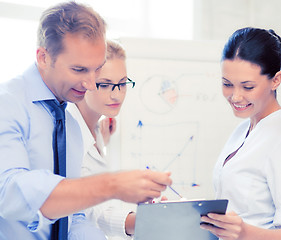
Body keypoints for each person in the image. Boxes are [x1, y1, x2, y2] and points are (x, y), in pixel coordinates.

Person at [0, 2, 172, 240]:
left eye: (96, 69)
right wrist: (112, 185)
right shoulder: (7, 103)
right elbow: (9, 193)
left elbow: (74, 219)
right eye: (79, 69)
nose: (91, 84)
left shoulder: (69, 124)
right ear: (43, 57)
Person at [200, 27, 281, 239]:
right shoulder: (243, 129)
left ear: (276, 80)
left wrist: (244, 232)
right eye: (227, 84)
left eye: (247, 87)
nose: (235, 97)